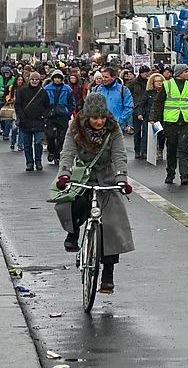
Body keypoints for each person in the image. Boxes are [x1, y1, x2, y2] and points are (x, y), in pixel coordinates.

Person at [53, 93, 135, 295]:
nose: (99, 122)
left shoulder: (113, 129)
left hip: (107, 176)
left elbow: (119, 155)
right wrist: (64, 174)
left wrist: (122, 178)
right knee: (70, 202)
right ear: (87, 116)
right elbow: (68, 152)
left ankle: (108, 274)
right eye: (94, 118)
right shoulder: (75, 128)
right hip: (83, 175)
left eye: (102, 117)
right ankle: (73, 233)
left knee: (113, 225)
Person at [152, 64, 188, 186]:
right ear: (179, 73)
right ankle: (170, 173)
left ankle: (184, 175)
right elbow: (159, 103)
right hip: (170, 122)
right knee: (172, 148)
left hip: (186, 121)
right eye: (186, 71)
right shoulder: (167, 85)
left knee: (184, 148)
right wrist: (154, 119)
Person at [15, 72, 50, 171]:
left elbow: (47, 106)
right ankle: (29, 162)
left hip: (39, 121)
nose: (34, 81)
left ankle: (38, 161)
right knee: (27, 144)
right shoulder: (22, 91)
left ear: (39, 80)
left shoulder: (43, 92)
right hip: (26, 121)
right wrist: (22, 116)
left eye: (36, 79)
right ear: (29, 80)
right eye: (33, 79)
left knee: (38, 143)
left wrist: (44, 116)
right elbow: (18, 104)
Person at [41, 70, 75, 165]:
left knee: (61, 137)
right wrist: (45, 112)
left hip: (62, 115)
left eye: (59, 78)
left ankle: (57, 154)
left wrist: (68, 112)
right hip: (50, 115)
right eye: (55, 78)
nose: (57, 80)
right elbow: (42, 102)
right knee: (50, 135)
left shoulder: (67, 89)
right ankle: (51, 150)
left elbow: (72, 102)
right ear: (52, 78)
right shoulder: (47, 88)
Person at [95, 67, 135, 133]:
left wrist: (120, 121)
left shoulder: (123, 90)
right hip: (100, 126)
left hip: (117, 127)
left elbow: (129, 107)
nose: (103, 79)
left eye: (106, 77)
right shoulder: (97, 89)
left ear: (113, 77)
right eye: (103, 76)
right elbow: (91, 106)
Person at [133, 72, 162, 160]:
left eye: (160, 81)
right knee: (147, 134)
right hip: (149, 116)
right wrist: (140, 113)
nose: (159, 83)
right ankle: (144, 151)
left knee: (160, 135)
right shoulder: (149, 92)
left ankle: (160, 150)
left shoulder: (164, 93)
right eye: (156, 81)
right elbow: (142, 103)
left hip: (160, 117)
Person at [128, 66, 149, 153]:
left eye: (147, 72)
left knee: (146, 131)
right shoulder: (133, 83)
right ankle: (137, 150)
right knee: (137, 131)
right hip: (136, 108)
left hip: (146, 108)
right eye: (145, 72)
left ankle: (144, 150)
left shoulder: (149, 82)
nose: (146, 74)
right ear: (140, 73)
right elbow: (129, 95)